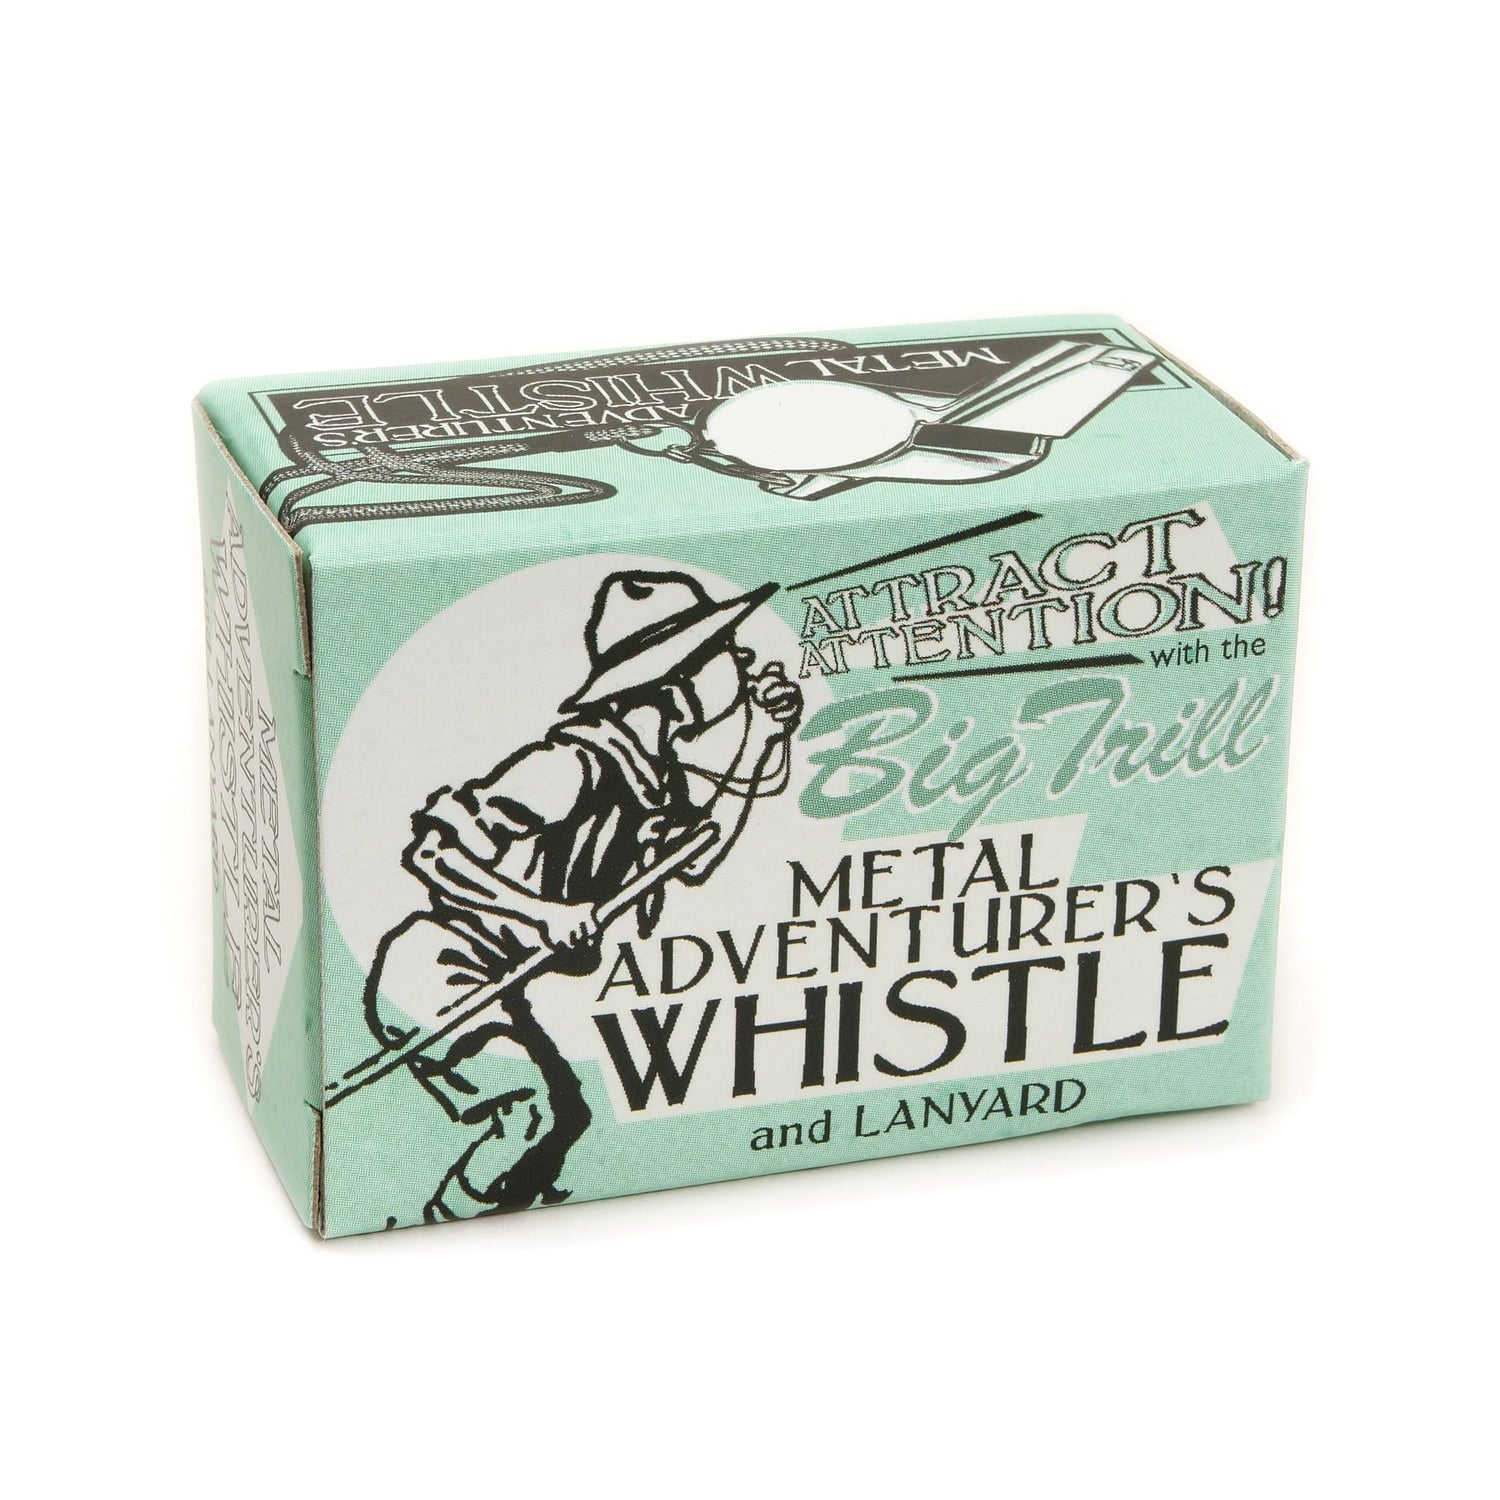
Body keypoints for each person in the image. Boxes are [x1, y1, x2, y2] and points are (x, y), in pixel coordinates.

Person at [363, 570, 803, 1221]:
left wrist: (763, 734)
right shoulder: (570, 766)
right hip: (436, 967)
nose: (741, 659)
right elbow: (434, 853)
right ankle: (435, 1228)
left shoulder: (654, 781)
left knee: (561, 1118)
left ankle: (481, 1217)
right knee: (535, 1114)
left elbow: (698, 856)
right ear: (677, 678)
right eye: (724, 648)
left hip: (497, 980)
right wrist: (542, 913)